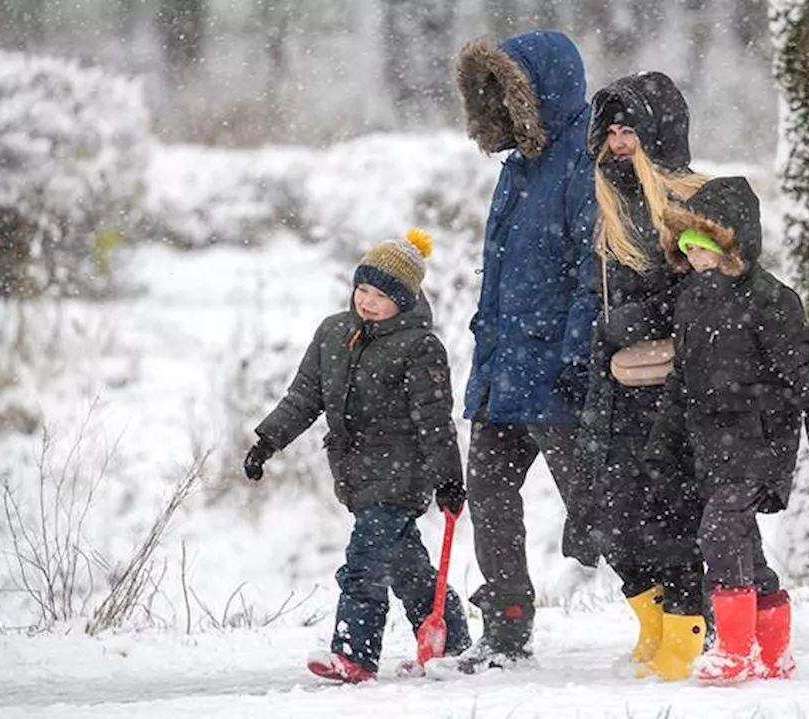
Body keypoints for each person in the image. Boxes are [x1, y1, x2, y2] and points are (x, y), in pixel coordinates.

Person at [242, 229, 471, 684]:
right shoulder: (333, 332)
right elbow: (304, 397)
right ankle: (452, 642)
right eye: (362, 288)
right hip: (354, 473)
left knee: (365, 563)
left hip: (402, 473)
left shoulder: (420, 347)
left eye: (382, 296)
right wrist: (267, 441)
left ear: (404, 302)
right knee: (407, 569)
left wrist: (448, 478)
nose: (366, 301)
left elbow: (434, 421)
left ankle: (355, 656)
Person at [648, 177, 809, 683]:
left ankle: (735, 649)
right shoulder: (692, 301)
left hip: (762, 439)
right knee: (742, 545)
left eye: (704, 248)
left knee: (718, 530)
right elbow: (681, 380)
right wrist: (661, 446)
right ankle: (774, 651)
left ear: (732, 243)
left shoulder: (770, 300)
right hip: (711, 445)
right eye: (687, 250)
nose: (695, 260)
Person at [443, 29, 600, 674]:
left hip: (556, 376)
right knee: (490, 496)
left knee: (596, 507)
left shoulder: (584, 165)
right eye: (495, 101)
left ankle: (677, 606)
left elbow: (594, 271)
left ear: (541, 95)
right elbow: (502, 274)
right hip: (503, 373)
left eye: (511, 96)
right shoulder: (514, 171)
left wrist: (575, 360)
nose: (502, 112)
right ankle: (506, 626)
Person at [580, 71, 709, 681]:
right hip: (611, 386)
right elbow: (582, 291)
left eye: (630, 129)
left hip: (672, 384)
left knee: (669, 512)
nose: (618, 141)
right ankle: (653, 619)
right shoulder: (599, 200)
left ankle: (689, 624)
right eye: (611, 130)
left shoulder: (693, 202)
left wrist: (632, 320)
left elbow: (707, 287)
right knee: (613, 519)